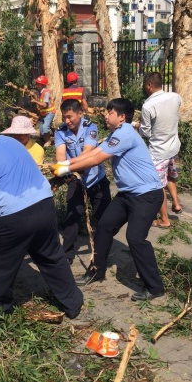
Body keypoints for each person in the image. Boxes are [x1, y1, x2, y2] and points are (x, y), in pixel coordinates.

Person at [0, 122, 83, 320]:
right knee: (51, 256)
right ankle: (73, 303)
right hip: (44, 205)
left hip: (10, 218)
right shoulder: (8, 141)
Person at [52, 98, 166, 302]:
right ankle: (97, 270)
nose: (105, 115)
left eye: (110, 112)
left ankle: (155, 286)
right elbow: (96, 151)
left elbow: (96, 159)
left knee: (135, 238)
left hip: (146, 195)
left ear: (121, 117)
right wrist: (67, 163)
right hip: (127, 194)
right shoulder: (116, 134)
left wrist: (67, 168)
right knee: (104, 225)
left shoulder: (125, 133)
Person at [54, 99, 111, 263]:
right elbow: (60, 154)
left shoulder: (90, 127)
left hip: (96, 179)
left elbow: (88, 153)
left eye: (70, 117)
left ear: (80, 113)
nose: (67, 121)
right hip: (76, 180)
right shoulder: (60, 131)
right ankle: (67, 254)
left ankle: (102, 254)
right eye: (64, 117)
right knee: (72, 216)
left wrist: (67, 166)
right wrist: (61, 167)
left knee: (104, 218)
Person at [136, 72, 183, 228]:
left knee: (158, 184)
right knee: (169, 176)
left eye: (145, 85)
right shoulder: (175, 97)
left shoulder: (148, 105)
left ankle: (164, 219)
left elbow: (146, 133)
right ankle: (176, 204)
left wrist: (138, 126)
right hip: (173, 146)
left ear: (149, 85)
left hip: (158, 151)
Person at [30, 75, 55, 146]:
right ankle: (44, 140)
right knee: (41, 129)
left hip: (49, 113)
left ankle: (48, 141)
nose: (37, 85)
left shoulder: (46, 93)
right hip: (44, 113)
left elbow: (45, 105)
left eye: (38, 84)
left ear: (42, 84)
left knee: (45, 127)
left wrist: (35, 101)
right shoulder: (41, 92)